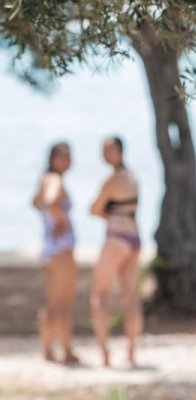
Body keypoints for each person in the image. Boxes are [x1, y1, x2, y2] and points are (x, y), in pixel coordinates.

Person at [90, 136, 143, 366]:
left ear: (120, 150)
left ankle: (104, 353)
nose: (105, 154)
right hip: (134, 238)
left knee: (100, 294)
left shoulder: (111, 180)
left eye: (109, 150)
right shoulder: (133, 177)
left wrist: (107, 214)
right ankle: (131, 353)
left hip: (116, 237)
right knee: (130, 297)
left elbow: (94, 208)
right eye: (103, 150)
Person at [32, 142, 79, 363]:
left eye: (69, 156)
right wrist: (60, 220)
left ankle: (48, 350)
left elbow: (36, 202)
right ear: (52, 158)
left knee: (51, 303)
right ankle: (67, 350)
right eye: (63, 156)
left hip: (48, 247)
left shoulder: (44, 179)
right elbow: (50, 202)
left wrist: (51, 220)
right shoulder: (55, 180)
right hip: (61, 249)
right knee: (62, 304)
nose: (67, 160)